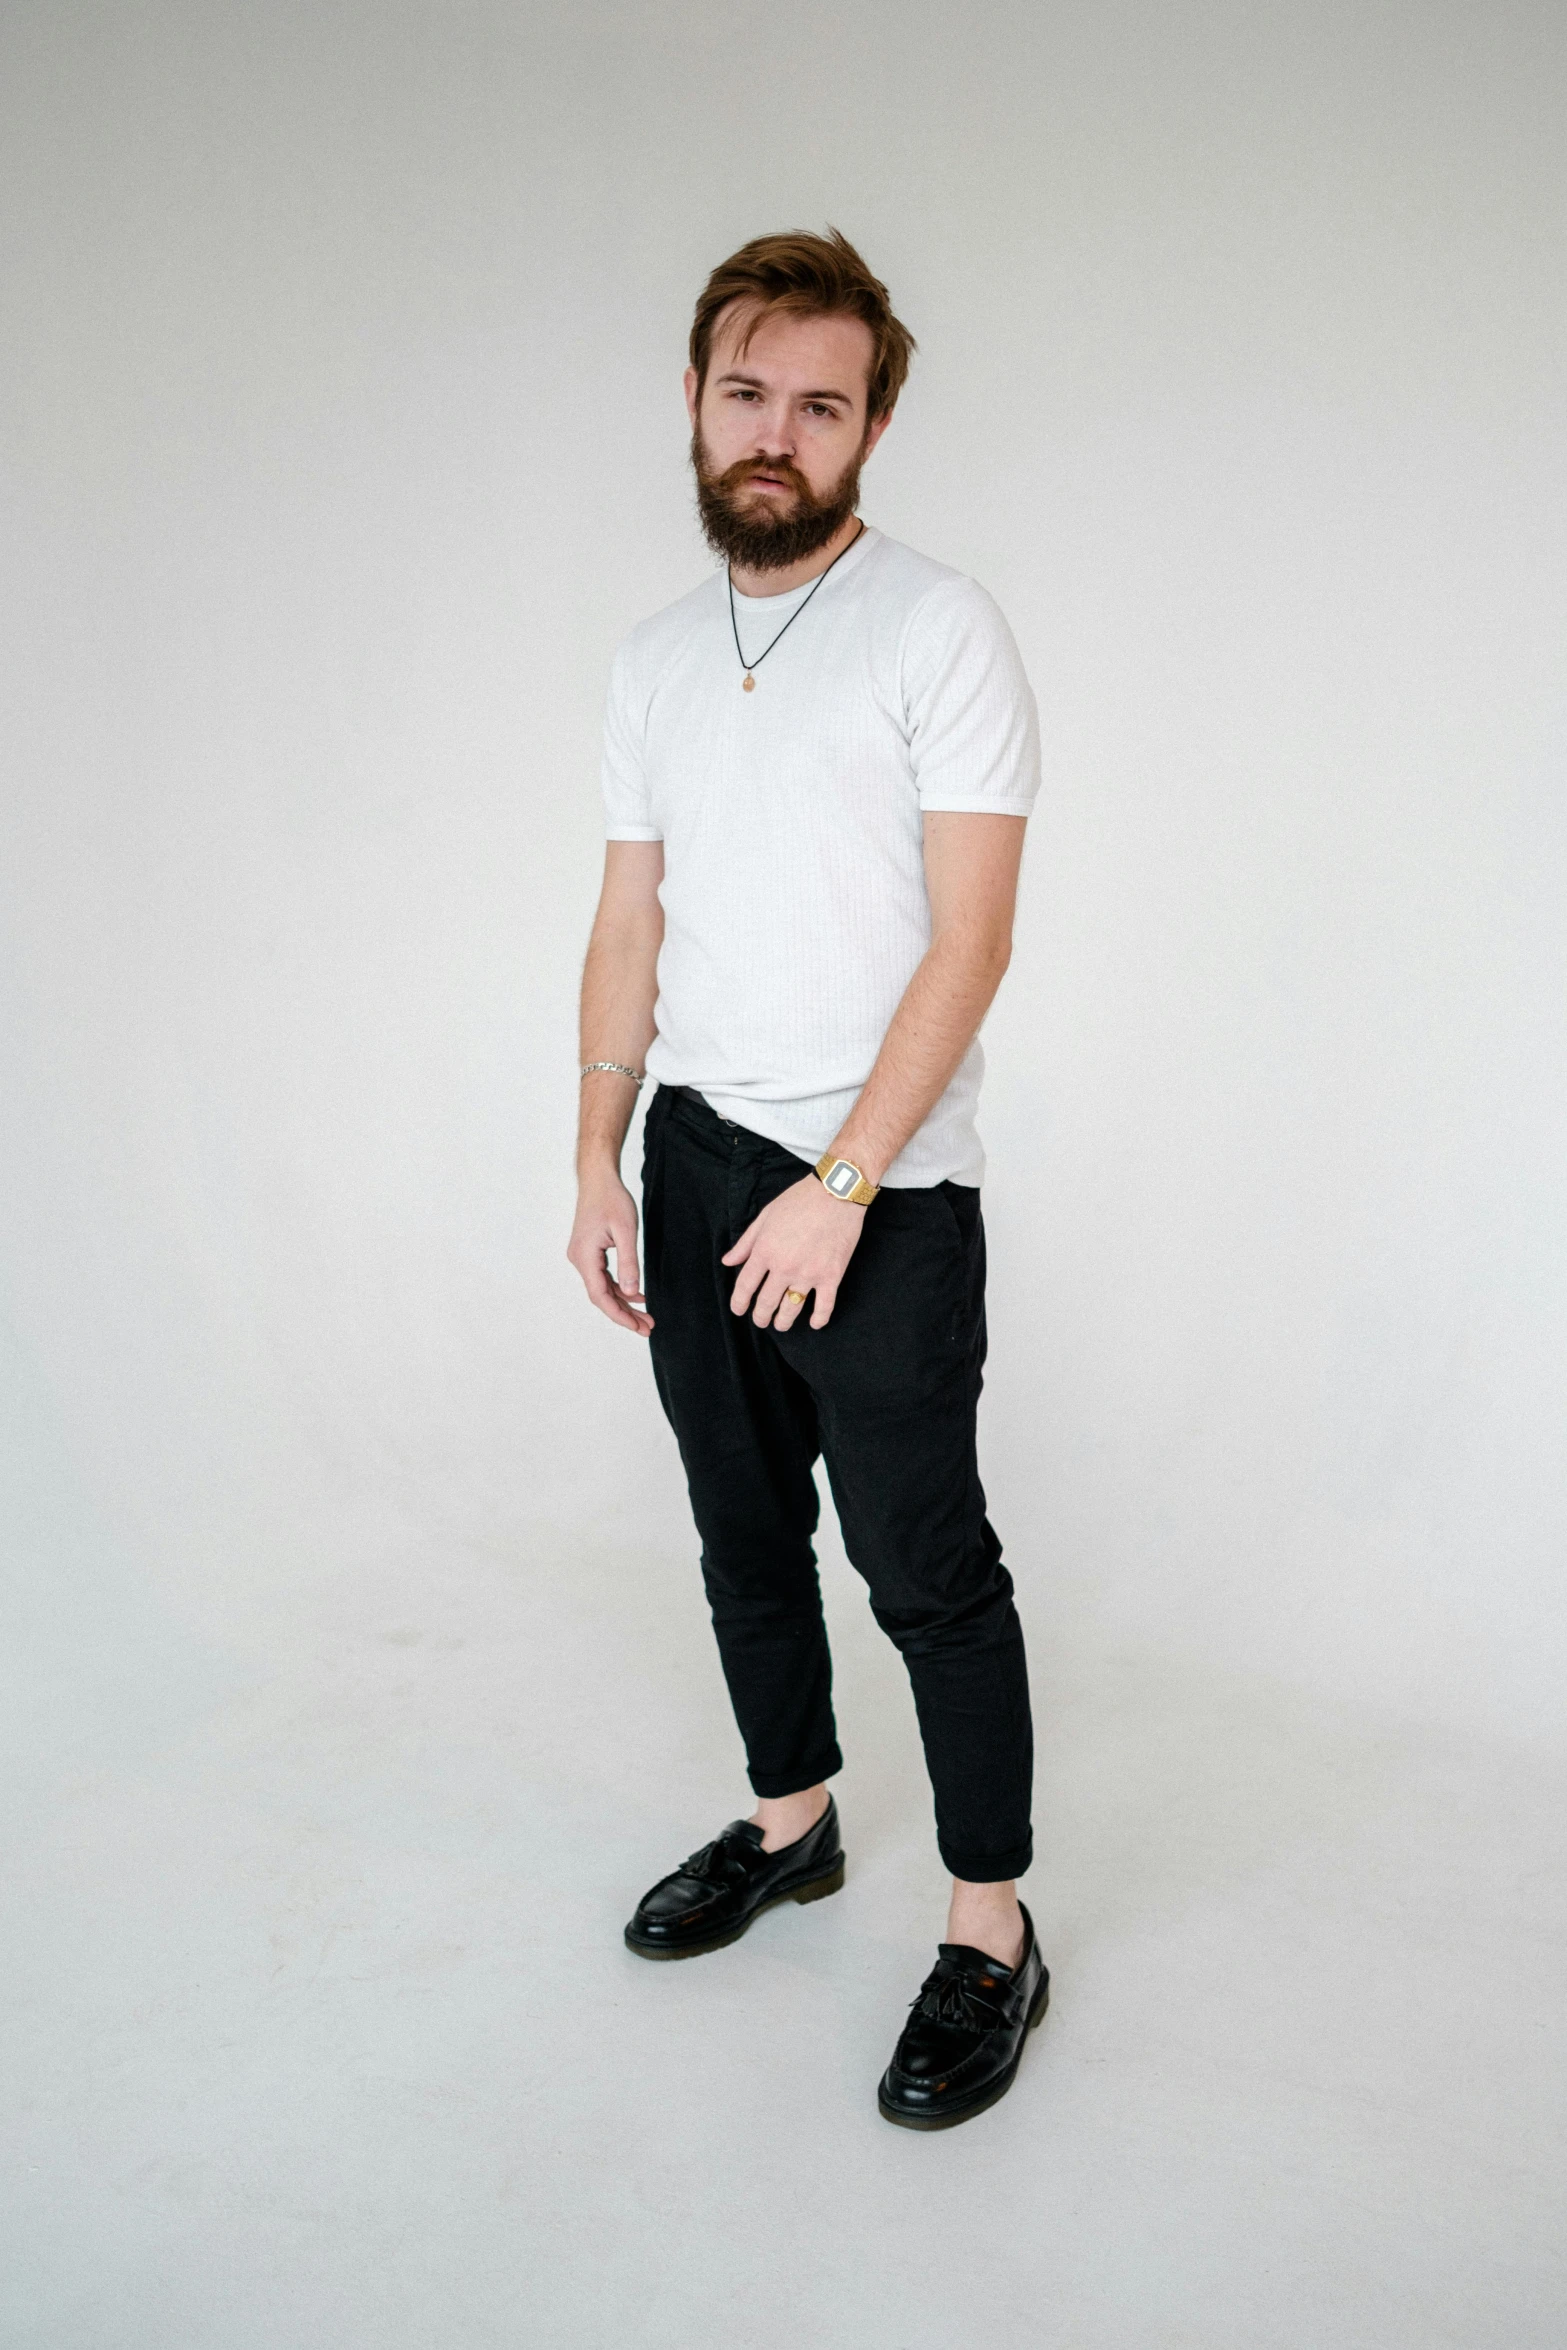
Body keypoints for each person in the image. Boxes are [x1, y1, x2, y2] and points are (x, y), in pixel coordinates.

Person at [567, 228, 1046, 2129]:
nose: (779, 432)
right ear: (695, 400)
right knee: (739, 1528)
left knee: (926, 1571)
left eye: (821, 405)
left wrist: (844, 1177)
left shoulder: (940, 626)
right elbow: (625, 923)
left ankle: (991, 1928)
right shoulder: (656, 657)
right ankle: (790, 1821)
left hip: (885, 1196)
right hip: (694, 1161)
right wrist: (596, 1156)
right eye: (749, 392)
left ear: (869, 427)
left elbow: (973, 937)